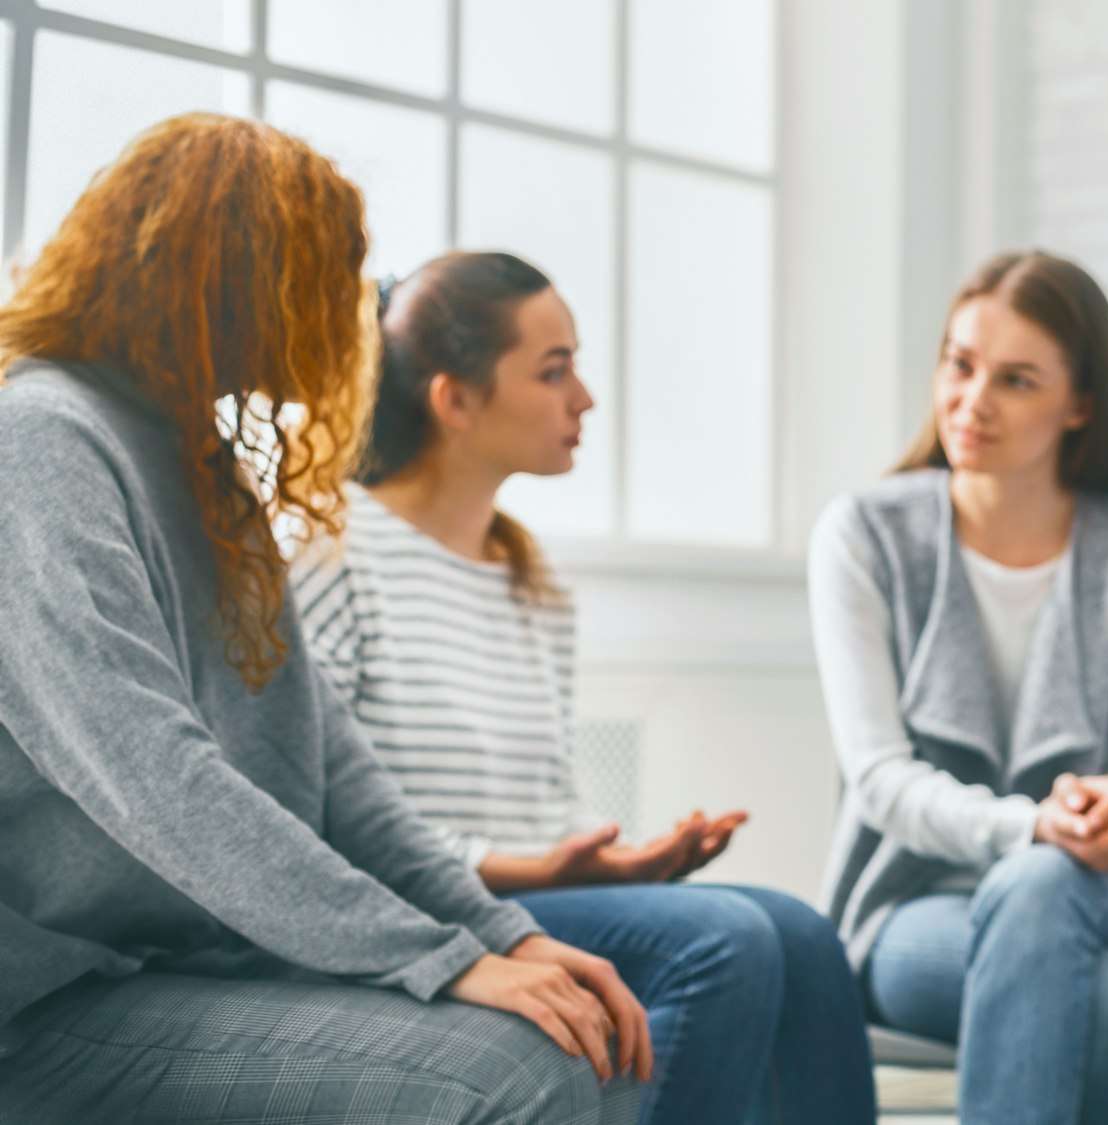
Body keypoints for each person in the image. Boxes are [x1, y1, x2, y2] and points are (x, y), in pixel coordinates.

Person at [0, 115, 646, 1122]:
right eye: (319, 282)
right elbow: (158, 781)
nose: (341, 323)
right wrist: (436, 960)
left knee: (582, 1033)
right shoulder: (40, 443)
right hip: (47, 1007)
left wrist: (503, 935)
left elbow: (337, 769)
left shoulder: (209, 471)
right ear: (226, 283)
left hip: (175, 968)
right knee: (511, 1068)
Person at [291, 250, 876, 1125]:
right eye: (553, 370)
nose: (585, 399)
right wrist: (538, 866)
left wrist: (618, 858)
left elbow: (551, 800)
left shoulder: (532, 580)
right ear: (454, 399)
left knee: (802, 931)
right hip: (427, 900)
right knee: (728, 940)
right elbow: (328, 811)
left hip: (538, 889)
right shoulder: (335, 552)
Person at [811, 249, 1108, 1123]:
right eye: (960, 363)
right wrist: (1030, 827)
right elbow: (878, 778)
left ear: (1080, 406)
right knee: (1089, 988)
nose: (972, 400)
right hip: (917, 903)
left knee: (1049, 889)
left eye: (1016, 380)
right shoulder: (864, 534)